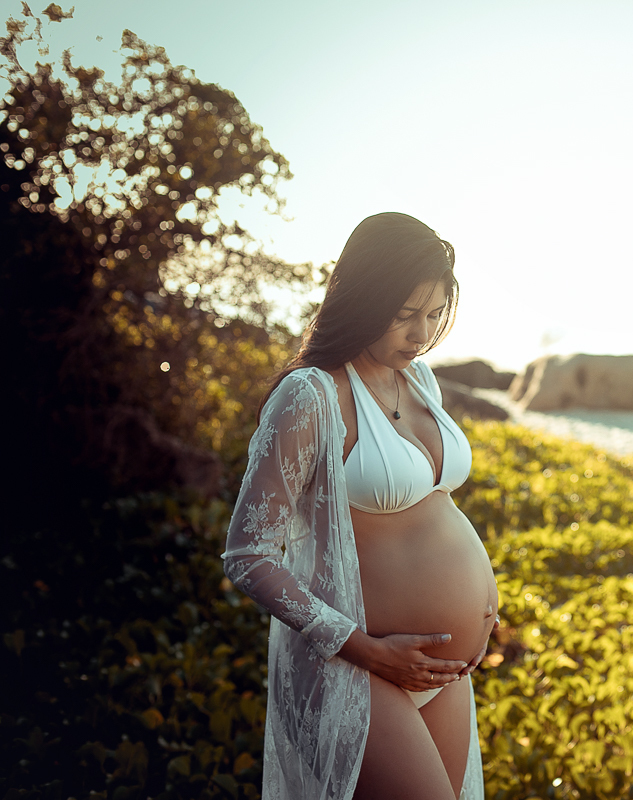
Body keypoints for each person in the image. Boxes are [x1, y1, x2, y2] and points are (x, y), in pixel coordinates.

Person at [223, 213, 498, 800]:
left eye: (433, 314)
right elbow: (248, 553)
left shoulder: (420, 379)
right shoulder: (312, 394)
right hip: (357, 668)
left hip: (440, 672)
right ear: (364, 297)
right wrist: (362, 646)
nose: (420, 333)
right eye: (403, 316)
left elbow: (429, 513)